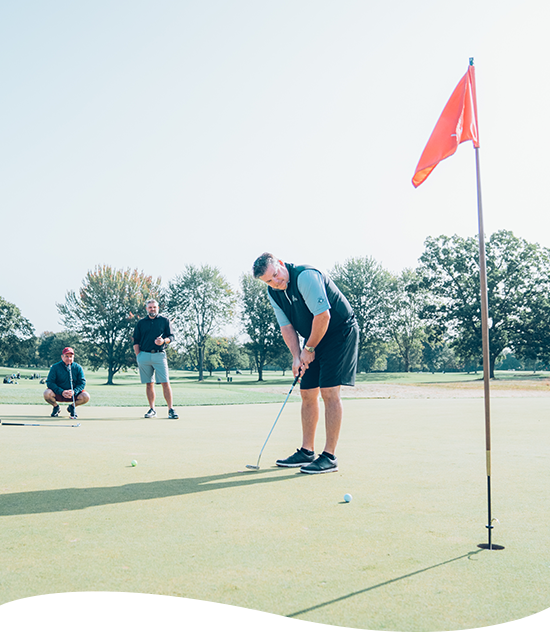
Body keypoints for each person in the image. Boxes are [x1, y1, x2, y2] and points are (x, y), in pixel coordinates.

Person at [253, 253, 359, 474]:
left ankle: (329, 457)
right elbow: (287, 327)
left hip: (339, 332)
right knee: (307, 392)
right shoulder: (274, 293)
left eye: (276, 275)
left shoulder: (305, 276)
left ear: (281, 264)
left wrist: (308, 350)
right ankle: (306, 451)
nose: (276, 282)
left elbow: (323, 316)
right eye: (269, 281)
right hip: (314, 335)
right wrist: (296, 356)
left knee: (329, 392)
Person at [132, 299, 179, 419]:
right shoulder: (141, 323)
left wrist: (164, 341)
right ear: (146, 309)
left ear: (158, 308)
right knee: (149, 384)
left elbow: (171, 337)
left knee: (165, 382)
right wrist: (139, 356)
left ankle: (170, 409)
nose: (152, 309)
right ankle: (152, 409)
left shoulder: (164, 321)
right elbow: (136, 340)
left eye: (154, 307)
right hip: (144, 355)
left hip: (160, 355)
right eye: (150, 307)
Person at [43, 347, 90, 417]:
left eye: (71, 357)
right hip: (58, 393)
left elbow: (82, 383)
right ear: (62, 357)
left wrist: (74, 391)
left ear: (73, 357)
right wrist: (61, 391)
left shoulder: (78, 368)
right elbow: (50, 382)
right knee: (46, 393)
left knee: (86, 396)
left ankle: (72, 407)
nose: (69, 358)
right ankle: (56, 407)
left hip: (73, 393)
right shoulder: (55, 367)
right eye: (66, 356)